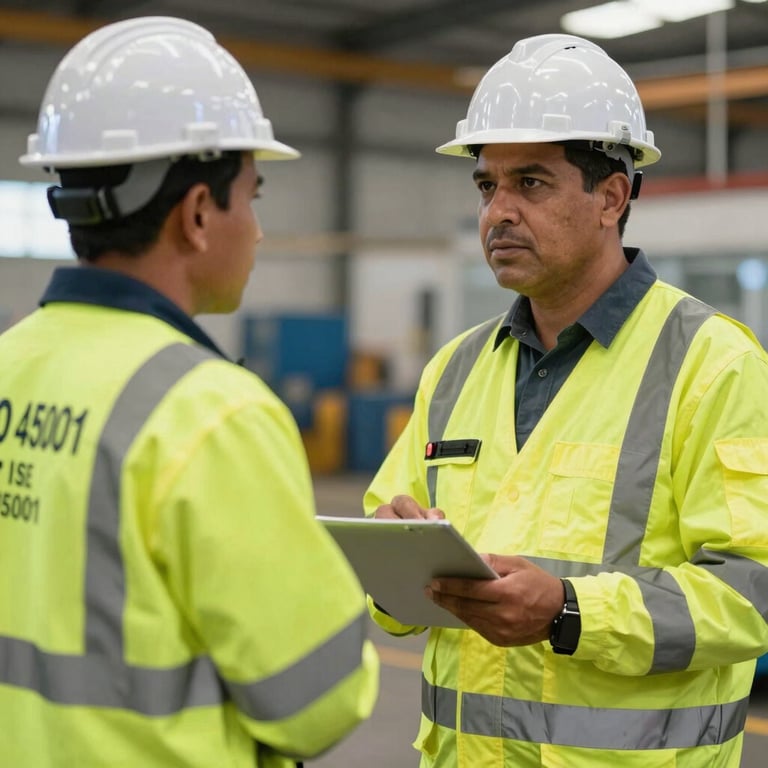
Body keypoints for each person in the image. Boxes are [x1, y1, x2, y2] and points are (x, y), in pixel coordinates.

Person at [365, 33, 768, 768]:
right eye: (488, 186)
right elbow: (381, 568)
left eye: (533, 183)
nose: (499, 213)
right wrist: (393, 567)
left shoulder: (713, 365)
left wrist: (569, 611)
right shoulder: (454, 371)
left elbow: (752, 593)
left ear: (611, 196)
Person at [0, 16, 378, 768]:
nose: (259, 231)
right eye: (254, 195)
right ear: (199, 213)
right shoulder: (211, 412)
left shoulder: (8, 363)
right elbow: (316, 701)